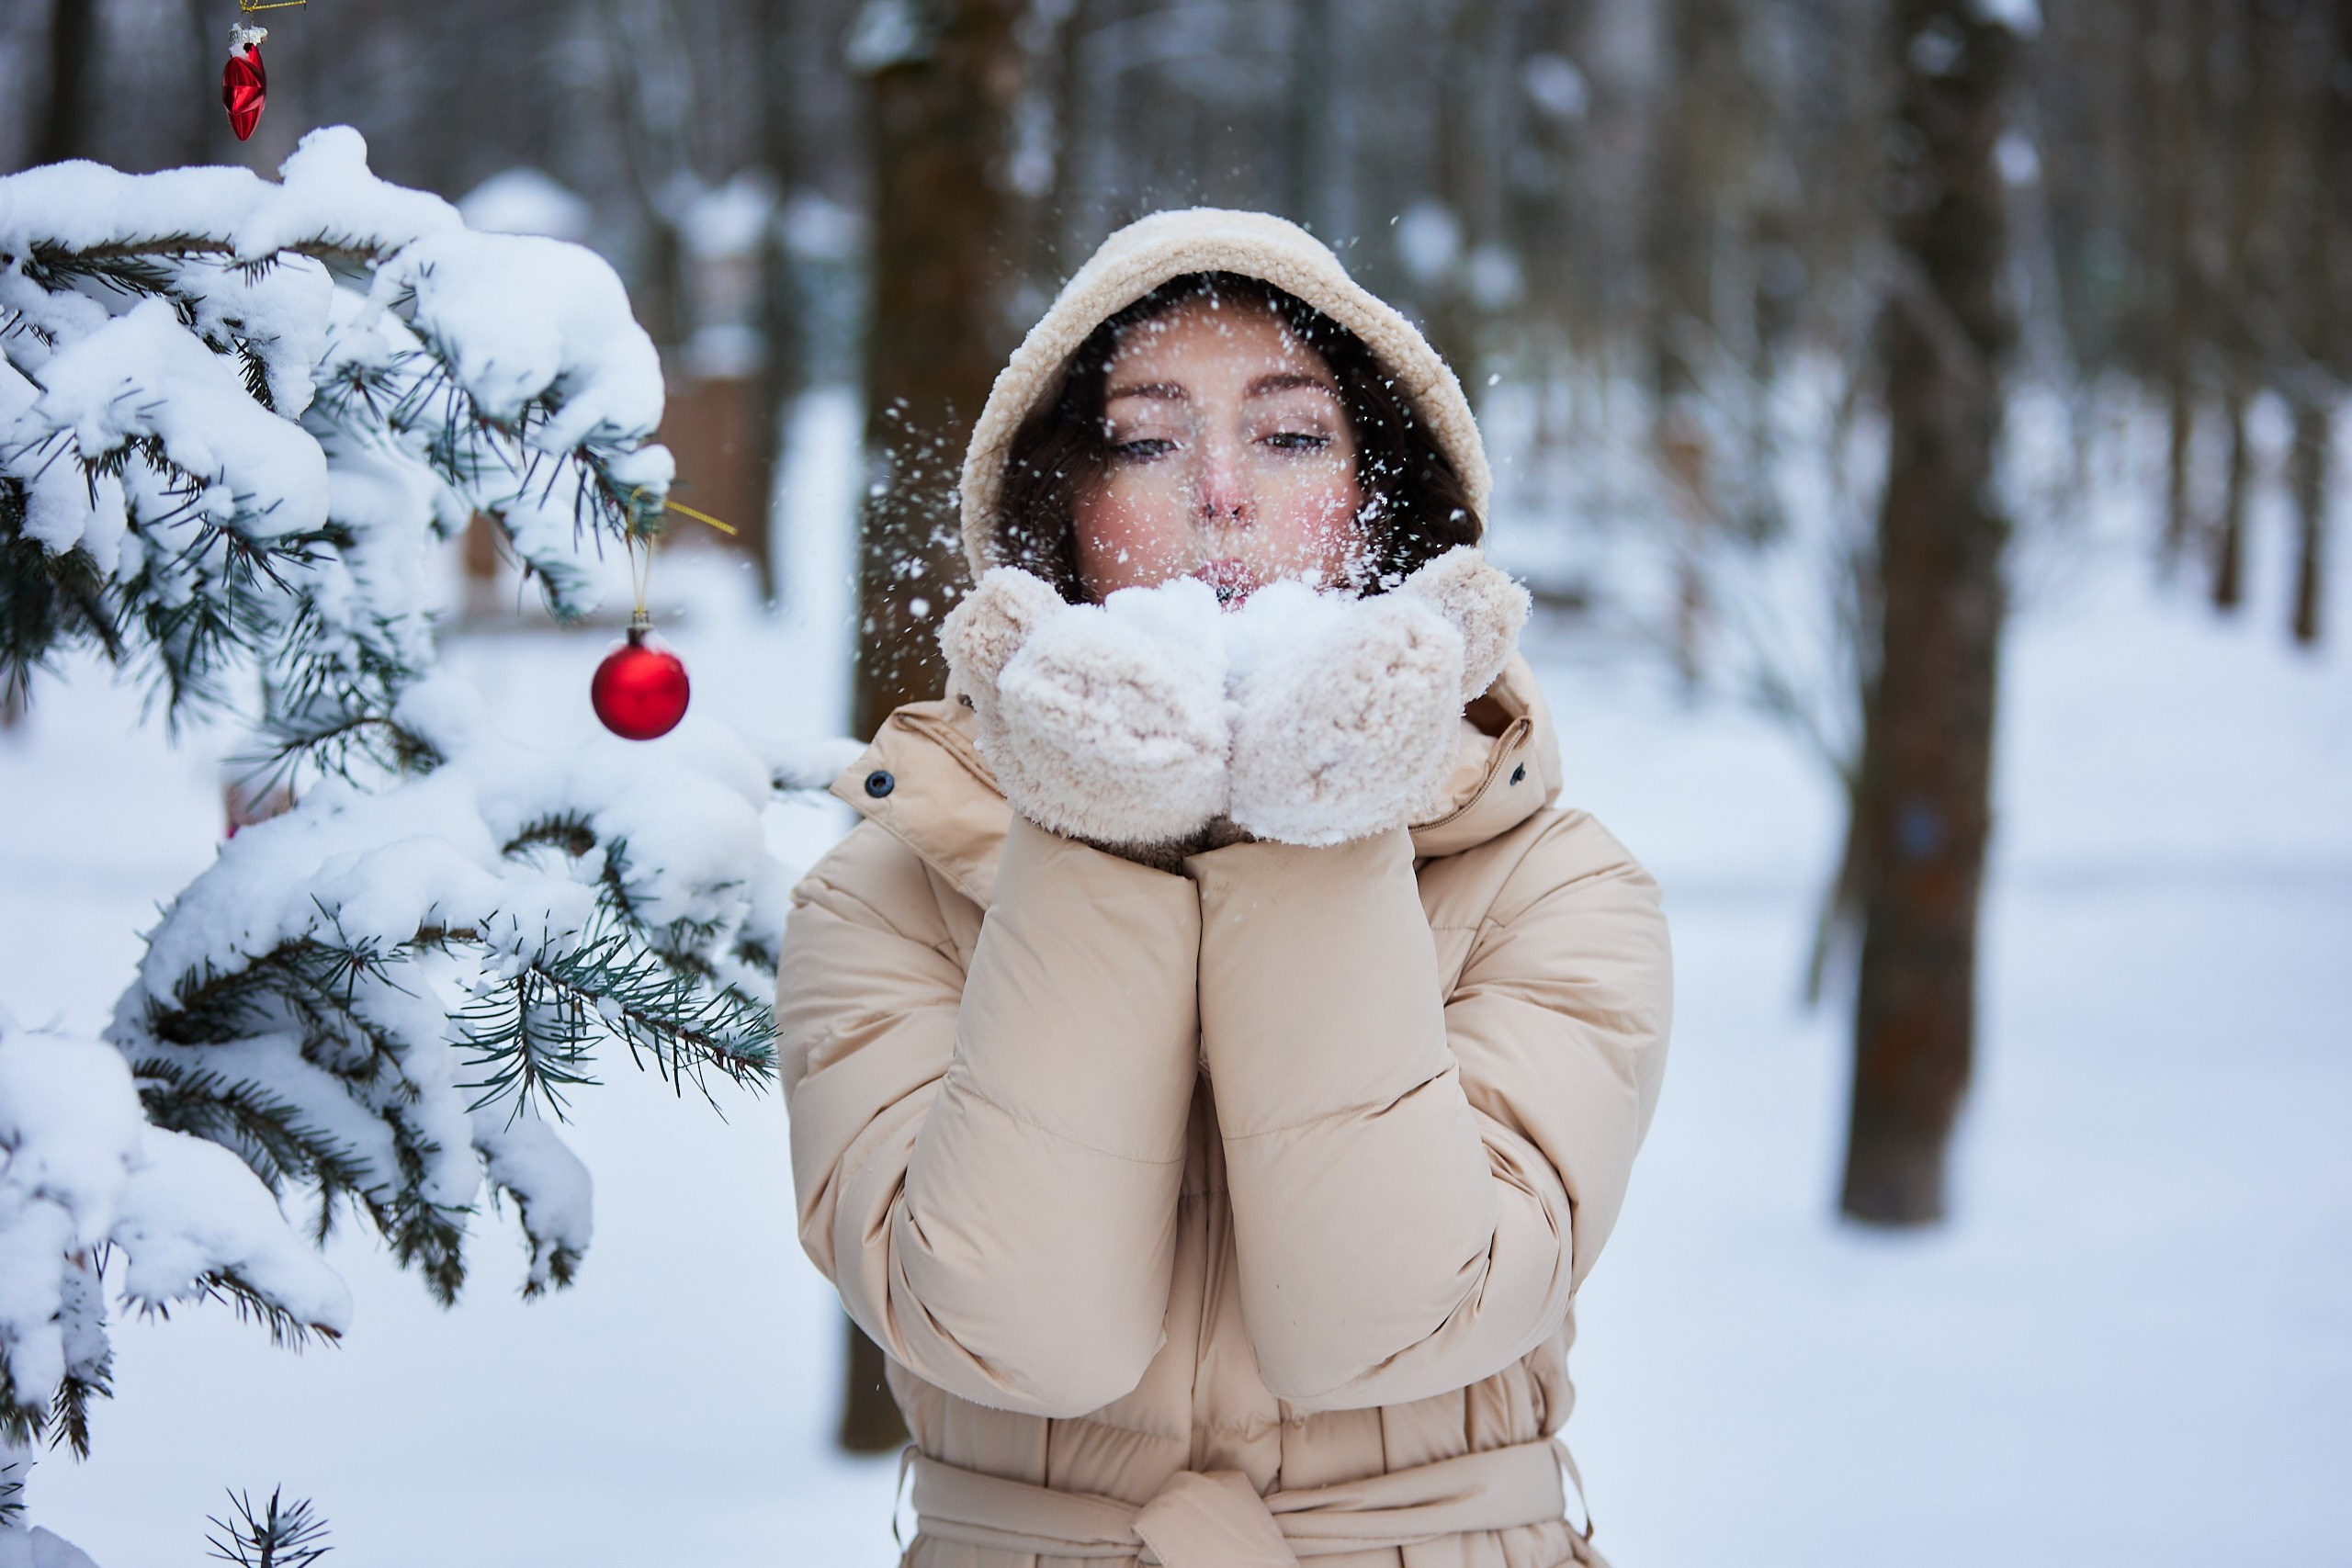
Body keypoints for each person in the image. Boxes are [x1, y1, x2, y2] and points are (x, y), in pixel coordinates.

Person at [778, 209, 1673, 1568]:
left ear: (1388, 505)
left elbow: (1393, 1323)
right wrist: (1098, 830)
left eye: (1293, 435)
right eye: (1145, 441)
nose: (1220, 494)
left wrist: (1322, 810)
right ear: (1057, 513)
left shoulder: (1558, 884)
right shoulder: (881, 897)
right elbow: (1020, 1333)